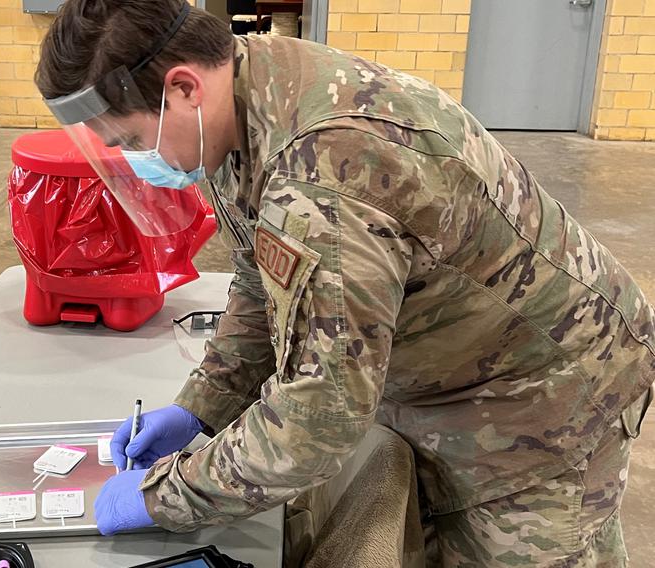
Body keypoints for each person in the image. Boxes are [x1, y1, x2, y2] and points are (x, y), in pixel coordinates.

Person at [35, 1, 655, 565]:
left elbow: (319, 420)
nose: (146, 160)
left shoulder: (325, 174)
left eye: (134, 140)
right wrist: (202, 407)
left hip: (546, 395)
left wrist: (164, 496)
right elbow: (262, 282)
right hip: (453, 371)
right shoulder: (240, 110)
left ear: (184, 86)